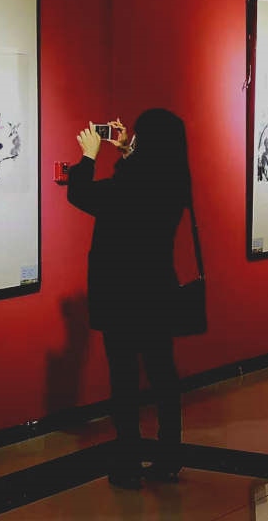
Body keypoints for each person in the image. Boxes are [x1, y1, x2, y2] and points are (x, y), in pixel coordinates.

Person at [67, 108, 192, 489]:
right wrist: (126, 149)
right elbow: (142, 177)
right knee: (162, 374)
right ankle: (169, 455)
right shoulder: (174, 182)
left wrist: (89, 156)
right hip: (157, 291)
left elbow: (81, 194)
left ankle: (128, 462)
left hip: (122, 294)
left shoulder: (129, 185)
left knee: (124, 379)